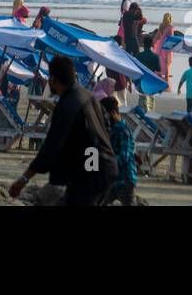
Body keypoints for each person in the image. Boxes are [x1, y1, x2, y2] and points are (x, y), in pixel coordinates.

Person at [9, 55, 117, 205]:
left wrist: (23, 179)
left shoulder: (68, 105)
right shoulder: (88, 96)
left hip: (91, 173)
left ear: (53, 79)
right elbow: (107, 126)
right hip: (102, 168)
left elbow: (52, 145)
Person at [101, 97, 139, 205]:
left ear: (113, 113)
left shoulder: (123, 131)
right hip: (113, 180)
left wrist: (105, 162)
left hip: (125, 180)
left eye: (104, 115)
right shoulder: (111, 130)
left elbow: (124, 157)